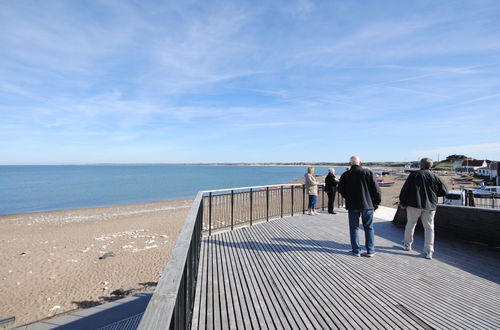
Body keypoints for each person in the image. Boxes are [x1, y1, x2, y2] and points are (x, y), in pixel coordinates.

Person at [399, 157, 448, 259]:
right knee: (429, 228)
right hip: (430, 205)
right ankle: (429, 251)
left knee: (411, 224)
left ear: (421, 165)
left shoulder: (414, 175)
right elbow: (444, 191)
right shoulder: (435, 176)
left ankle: (407, 245)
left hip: (414, 204)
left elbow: (405, 190)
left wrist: (402, 202)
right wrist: (434, 194)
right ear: (431, 166)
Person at [338, 156, 381, 257]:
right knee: (369, 228)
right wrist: (376, 202)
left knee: (354, 228)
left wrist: (347, 197)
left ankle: (356, 250)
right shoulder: (368, 173)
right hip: (367, 204)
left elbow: (341, 190)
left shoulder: (345, 175)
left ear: (350, 163)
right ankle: (370, 250)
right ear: (360, 163)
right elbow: (376, 189)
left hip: (352, 205)